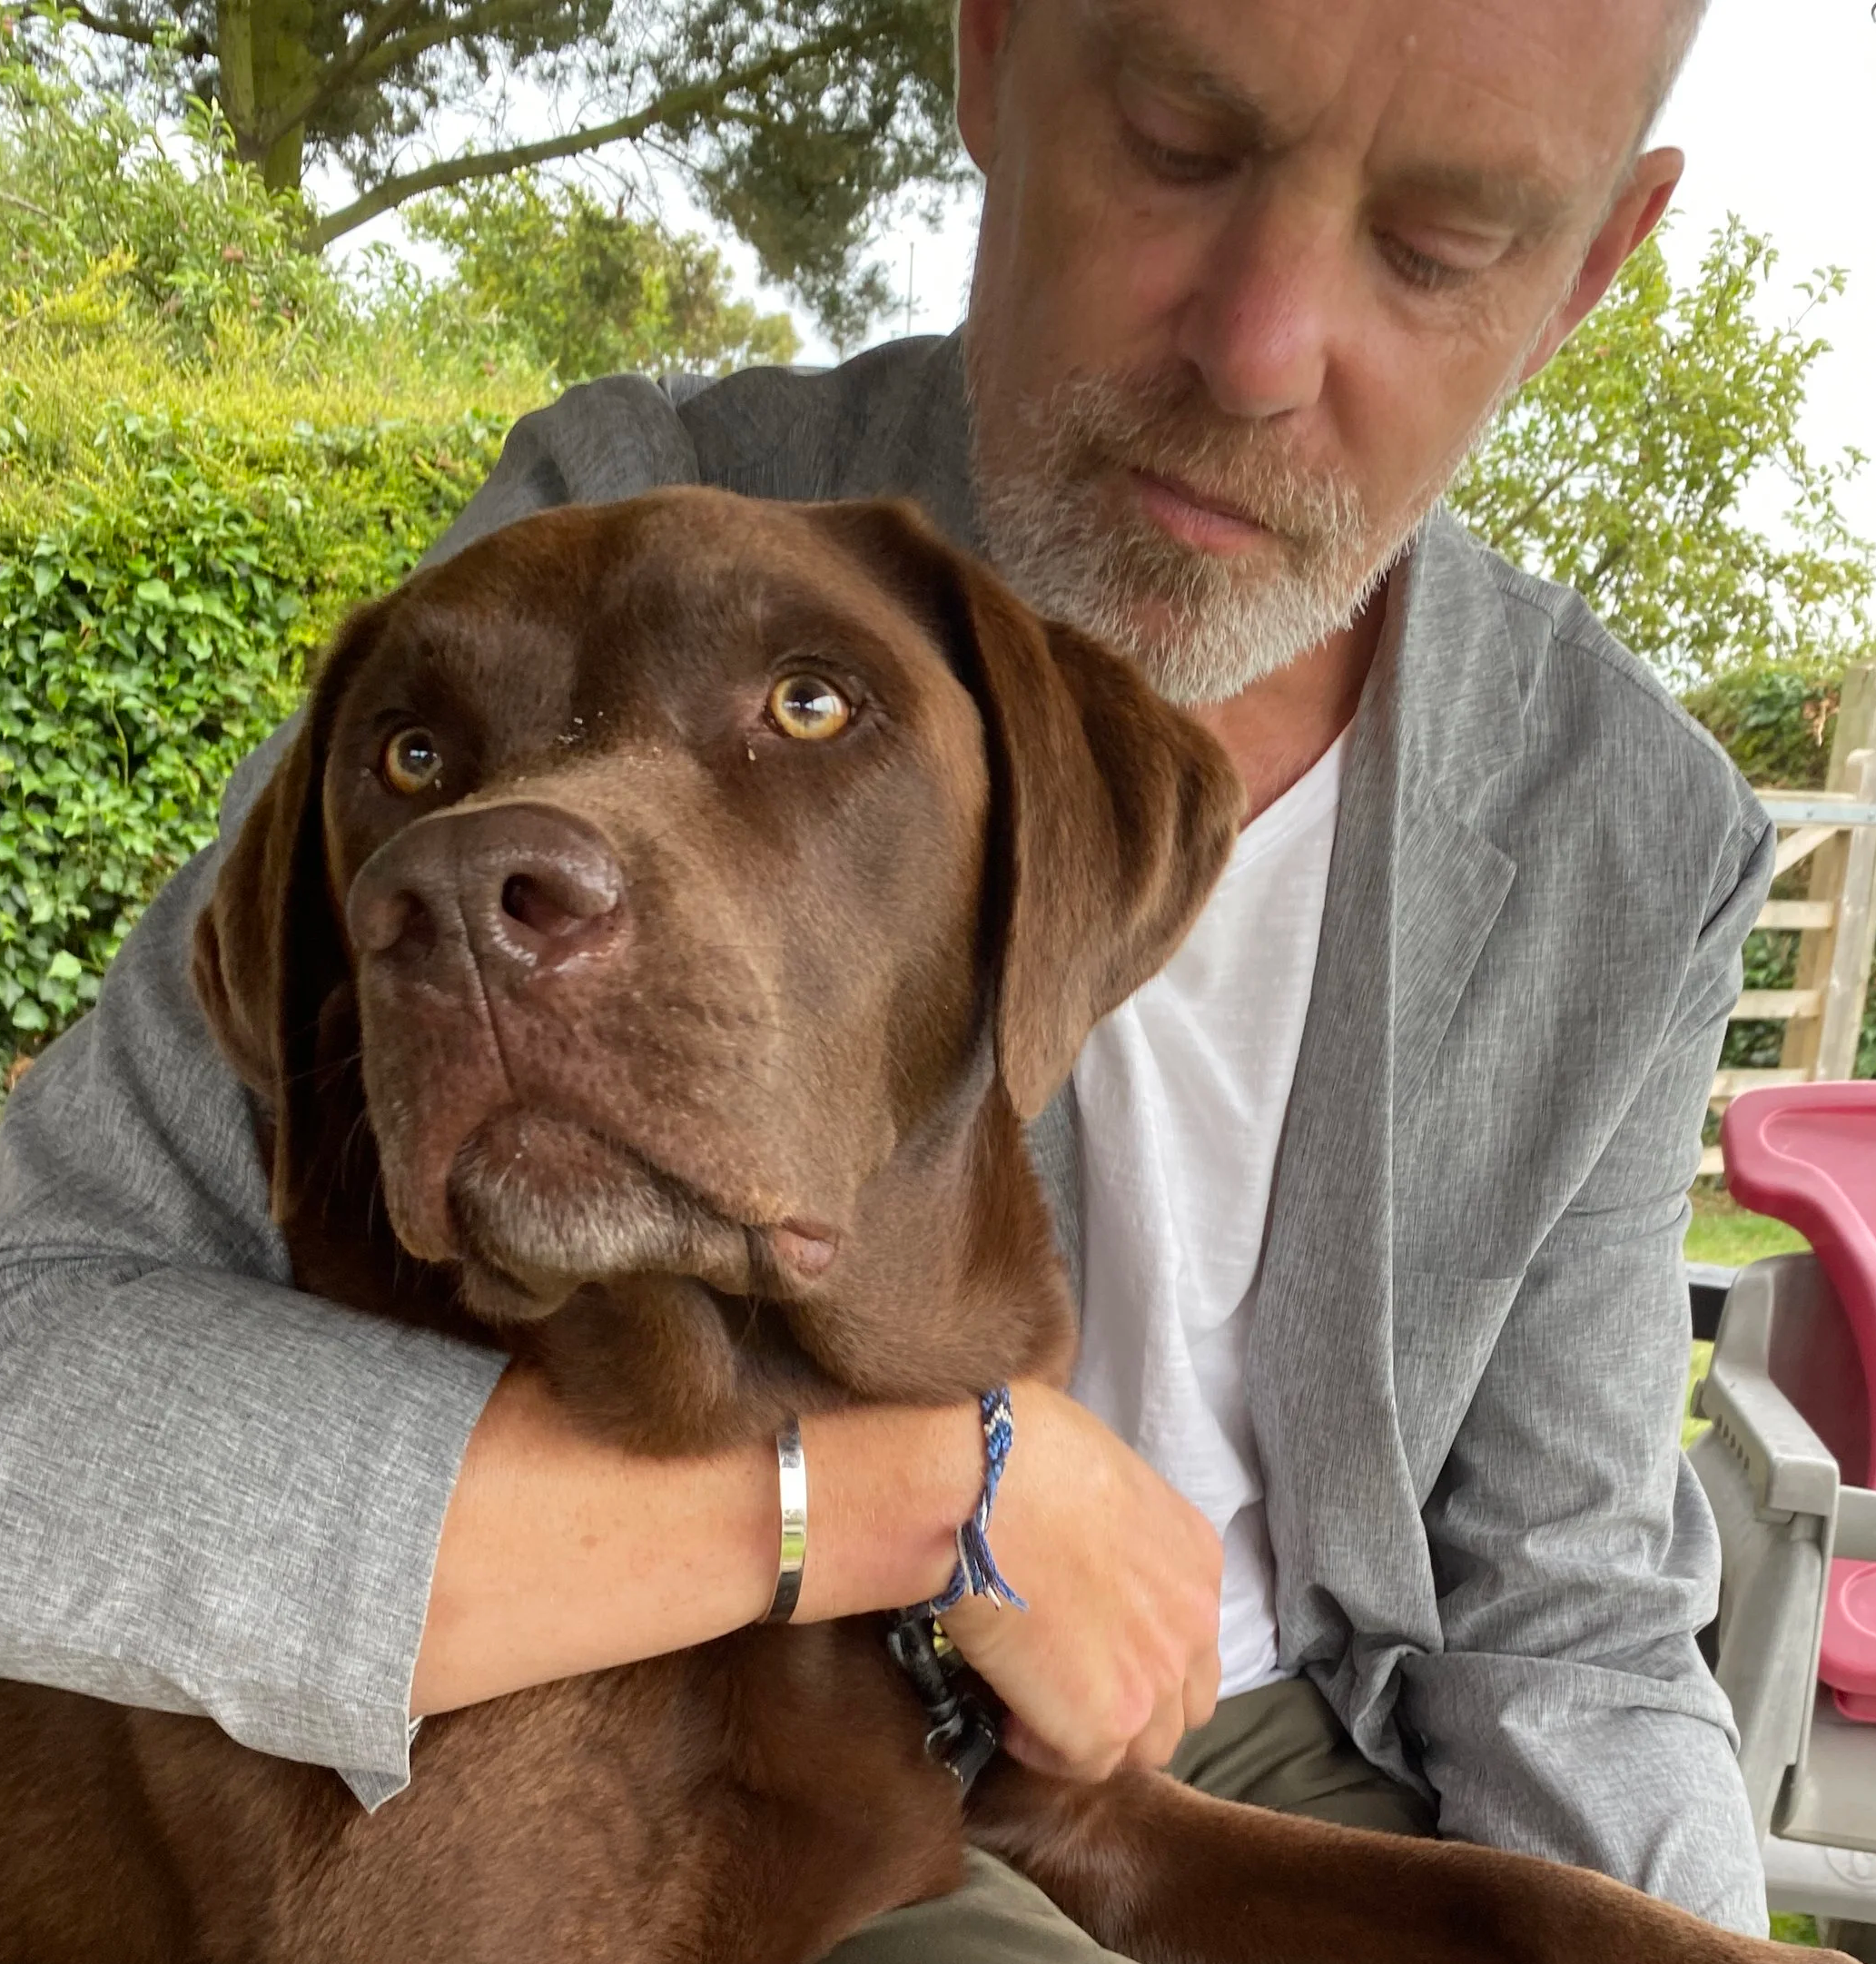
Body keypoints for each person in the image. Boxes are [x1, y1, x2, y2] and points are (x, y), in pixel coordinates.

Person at [0, 0, 1775, 1953]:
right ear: (995, 56)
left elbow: (1569, 1610)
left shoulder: (1633, 829)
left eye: (1439, 248)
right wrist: (922, 1492)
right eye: (1181, 143)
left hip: (1276, 1738)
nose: (1259, 349)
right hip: (691, 1687)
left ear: (1592, 265)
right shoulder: (623, 534)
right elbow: (35, 1368)